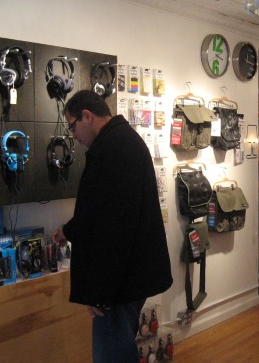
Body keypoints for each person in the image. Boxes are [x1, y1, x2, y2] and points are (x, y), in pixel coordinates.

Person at [51, 90, 173, 363]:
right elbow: (99, 209)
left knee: (111, 354)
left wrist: (100, 292)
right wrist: (68, 231)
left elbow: (116, 229)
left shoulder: (114, 150)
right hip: (124, 279)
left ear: (87, 116)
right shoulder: (119, 143)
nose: (73, 135)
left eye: (73, 126)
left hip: (118, 286)